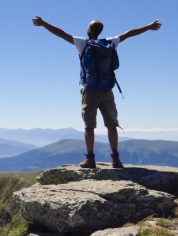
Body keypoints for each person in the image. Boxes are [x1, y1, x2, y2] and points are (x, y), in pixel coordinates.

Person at [32, 16, 161, 168]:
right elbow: (129, 33)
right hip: (107, 90)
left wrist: (44, 23)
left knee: (89, 126)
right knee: (112, 125)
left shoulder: (82, 43)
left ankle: (90, 159)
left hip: (89, 90)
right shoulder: (111, 42)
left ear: (89, 30)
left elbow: (61, 33)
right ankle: (116, 159)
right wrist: (148, 26)